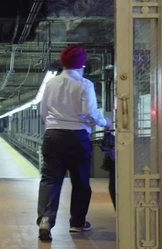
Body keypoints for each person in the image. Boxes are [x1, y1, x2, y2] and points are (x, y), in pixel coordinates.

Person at [37, 45, 112, 241]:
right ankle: (77, 223)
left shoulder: (51, 83)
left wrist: (55, 122)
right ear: (82, 64)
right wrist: (105, 123)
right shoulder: (85, 84)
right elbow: (91, 112)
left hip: (52, 136)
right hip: (77, 137)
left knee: (50, 180)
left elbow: (43, 112)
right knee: (80, 182)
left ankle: (45, 220)